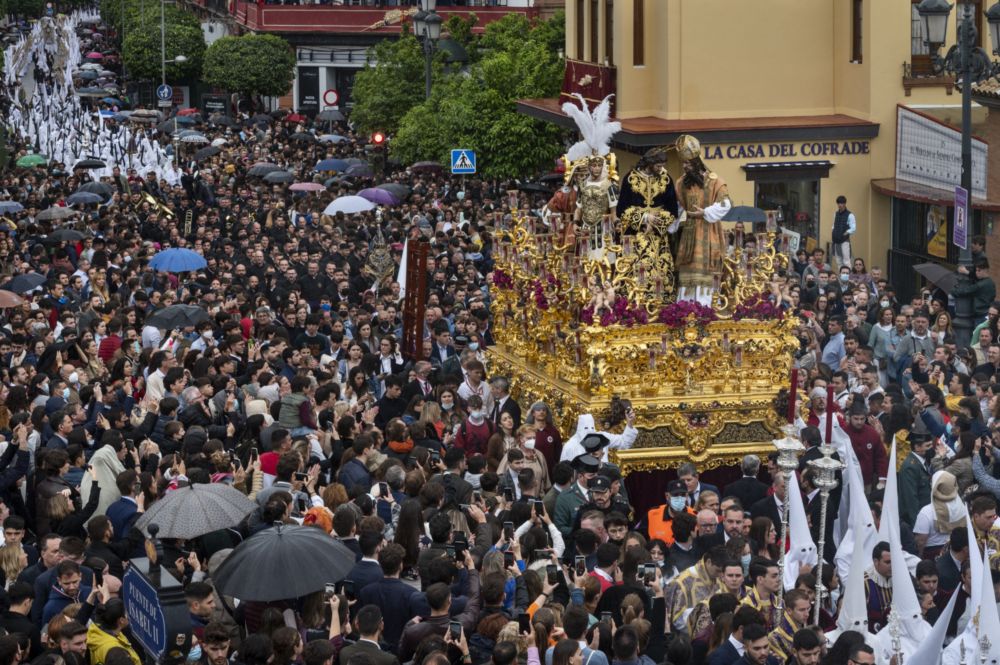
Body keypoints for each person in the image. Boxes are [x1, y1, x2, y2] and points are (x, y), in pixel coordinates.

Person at [672, 135, 731, 303]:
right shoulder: (680, 183)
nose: (685, 167)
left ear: (697, 162)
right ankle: (685, 309)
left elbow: (725, 204)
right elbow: (676, 207)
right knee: (688, 275)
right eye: (683, 163)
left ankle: (707, 310)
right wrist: (669, 223)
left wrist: (705, 212)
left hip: (709, 232)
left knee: (707, 275)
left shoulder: (715, 181)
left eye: (688, 163)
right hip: (689, 234)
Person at [831, 195, 856, 270]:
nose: (840, 205)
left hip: (844, 241)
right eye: (838, 203)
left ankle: (848, 278)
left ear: (845, 204)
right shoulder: (835, 214)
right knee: (838, 260)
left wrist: (846, 232)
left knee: (846, 261)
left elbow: (853, 228)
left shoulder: (850, 215)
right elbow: (833, 225)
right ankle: (841, 277)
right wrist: (833, 231)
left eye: (841, 203)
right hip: (835, 240)